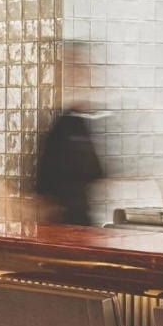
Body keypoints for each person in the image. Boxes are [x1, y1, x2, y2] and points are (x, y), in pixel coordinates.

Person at [35, 42, 104, 226]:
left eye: (80, 66)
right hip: (65, 229)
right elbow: (45, 195)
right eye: (71, 66)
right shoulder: (63, 125)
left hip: (84, 228)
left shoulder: (89, 122)